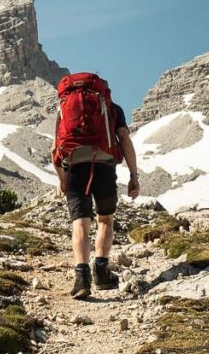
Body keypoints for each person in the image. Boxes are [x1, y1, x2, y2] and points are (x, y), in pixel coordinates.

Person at [54, 102, 140, 300]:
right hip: (104, 167)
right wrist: (134, 176)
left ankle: (82, 279)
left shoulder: (65, 108)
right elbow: (125, 140)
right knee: (105, 219)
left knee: (80, 222)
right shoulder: (112, 108)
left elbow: (54, 148)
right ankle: (101, 274)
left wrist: (62, 179)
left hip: (74, 168)